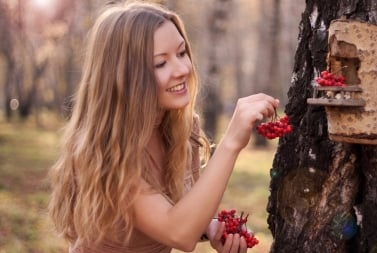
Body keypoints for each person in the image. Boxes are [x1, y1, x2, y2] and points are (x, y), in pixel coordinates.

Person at [48, 1, 279, 253]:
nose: (182, 69)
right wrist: (231, 142)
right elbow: (178, 233)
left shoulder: (181, 129)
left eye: (181, 53)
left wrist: (210, 227)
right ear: (126, 77)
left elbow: (181, 214)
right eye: (161, 63)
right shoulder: (107, 152)